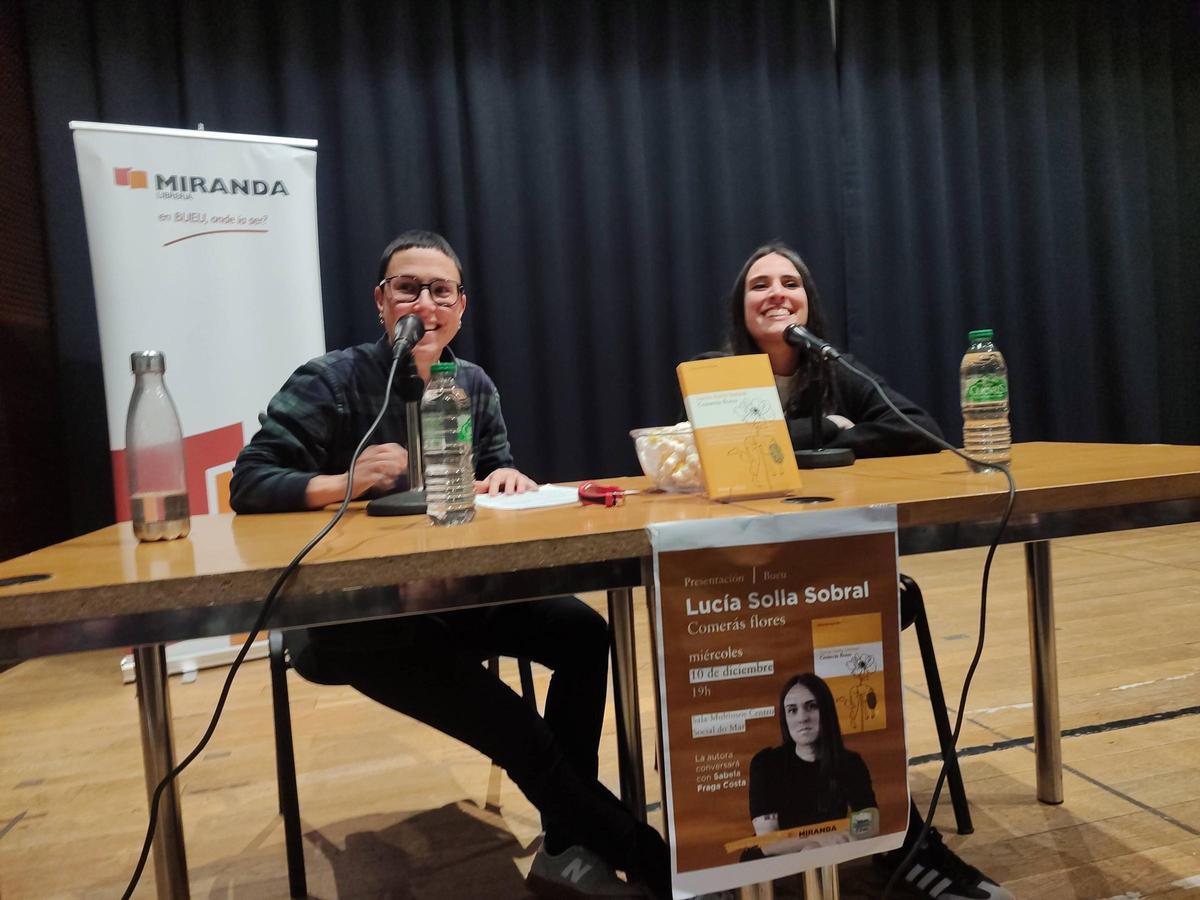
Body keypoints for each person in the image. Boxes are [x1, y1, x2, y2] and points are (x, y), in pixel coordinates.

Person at [230, 230, 669, 899]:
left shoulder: (471, 384)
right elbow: (251, 479)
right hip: (357, 618)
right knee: (519, 732)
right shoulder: (331, 380)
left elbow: (494, 472)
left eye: (441, 291)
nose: (424, 304)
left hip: (459, 595)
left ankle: (566, 844)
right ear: (381, 301)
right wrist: (343, 482)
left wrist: (507, 479)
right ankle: (652, 860)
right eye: (408, 288)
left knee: (583, 632)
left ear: (461, 307)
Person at [717, 242, 1013, 900]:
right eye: (760, 284)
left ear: (807, 303)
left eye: (790, 282)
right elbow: (717, 457)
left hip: (832, 572)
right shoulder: (718, 377)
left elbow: (918, 428)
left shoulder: (832, 368)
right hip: (747, 579)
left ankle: (899, 843)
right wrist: (823, 434)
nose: (776, 293)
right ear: (741, 309)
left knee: (852, 631)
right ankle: (889, 844)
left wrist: (823, 435)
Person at [746, 674, 879, 858]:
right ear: (785, 718)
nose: (802, 718)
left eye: (812, 706)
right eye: (792, 710)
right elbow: (768, 843)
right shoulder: (766, 764)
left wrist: (844, 837)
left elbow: (871, 820)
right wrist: (820, 841)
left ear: (826, 711)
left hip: (826, 858)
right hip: (773, 866)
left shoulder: (850, 763)